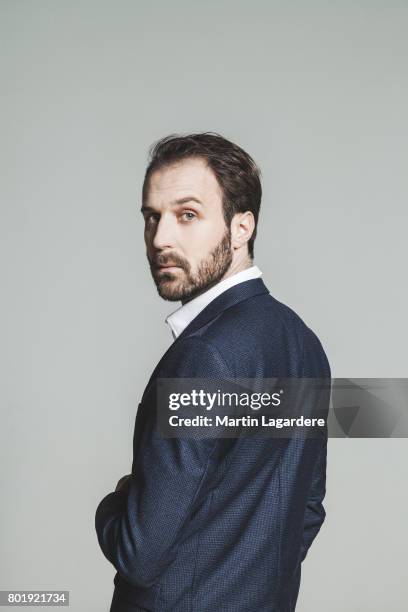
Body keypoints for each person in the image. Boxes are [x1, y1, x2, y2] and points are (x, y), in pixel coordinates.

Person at [95, 133, 331, 612]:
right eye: (151, 217)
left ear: (241, 227)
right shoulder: (306, 346)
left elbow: (139, 554)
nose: (161, 238)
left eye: (187, 215)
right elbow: (305, 510)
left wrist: (113, 505)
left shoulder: (203, 356)